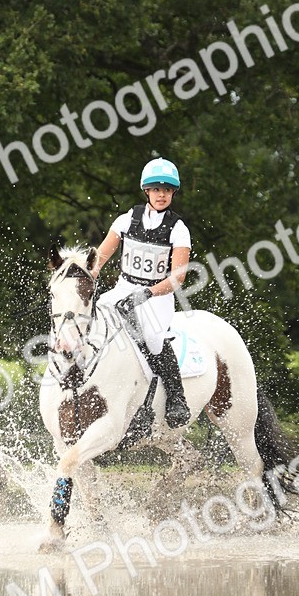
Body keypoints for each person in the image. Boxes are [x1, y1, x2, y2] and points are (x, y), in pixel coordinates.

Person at [91, 157, 191, 428]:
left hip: (156, 296)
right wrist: (86, 278)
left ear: (173, 193)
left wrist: (147, 293)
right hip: (123, 288)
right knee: (95, 318)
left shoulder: (178, 229)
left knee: (153, 336)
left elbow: (178, 278)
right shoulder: (126, 220)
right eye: (157, 189)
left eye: (167, 190)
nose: (162, 195)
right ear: (146, 190)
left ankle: (176, 399)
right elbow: (100, 258)